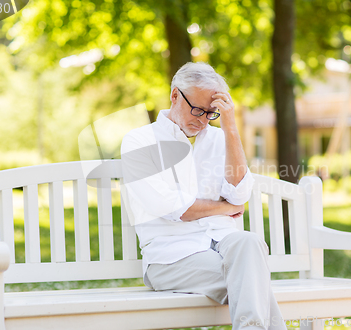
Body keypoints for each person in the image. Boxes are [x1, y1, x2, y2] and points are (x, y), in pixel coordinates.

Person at [121, 62, 286, 330]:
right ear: (175, 95)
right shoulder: (139, 141)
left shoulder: (220, 139)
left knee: (248, 242)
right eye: (197, 109)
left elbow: (240, 193)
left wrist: (231, 127)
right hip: (170, 259)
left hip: (224, 246)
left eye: (212, 113)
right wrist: (223, 208)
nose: (201, 120)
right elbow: (174, 209)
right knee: (250, 279)